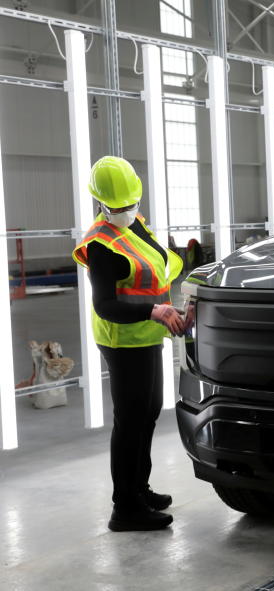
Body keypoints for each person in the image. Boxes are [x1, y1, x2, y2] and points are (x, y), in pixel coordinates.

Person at [72, 156, 189, 532]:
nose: (126, 211)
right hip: (123, 339)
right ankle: (125, 507)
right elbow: (105, 305)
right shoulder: (100, 245)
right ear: (101, 203)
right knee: (131, 420)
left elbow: (155, 271)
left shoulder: (136, 226)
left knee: (149, 411)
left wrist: (166, 309)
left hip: (148, 333)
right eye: (118, 207)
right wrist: (153, 312)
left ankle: (140, 488)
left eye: (130, 204)